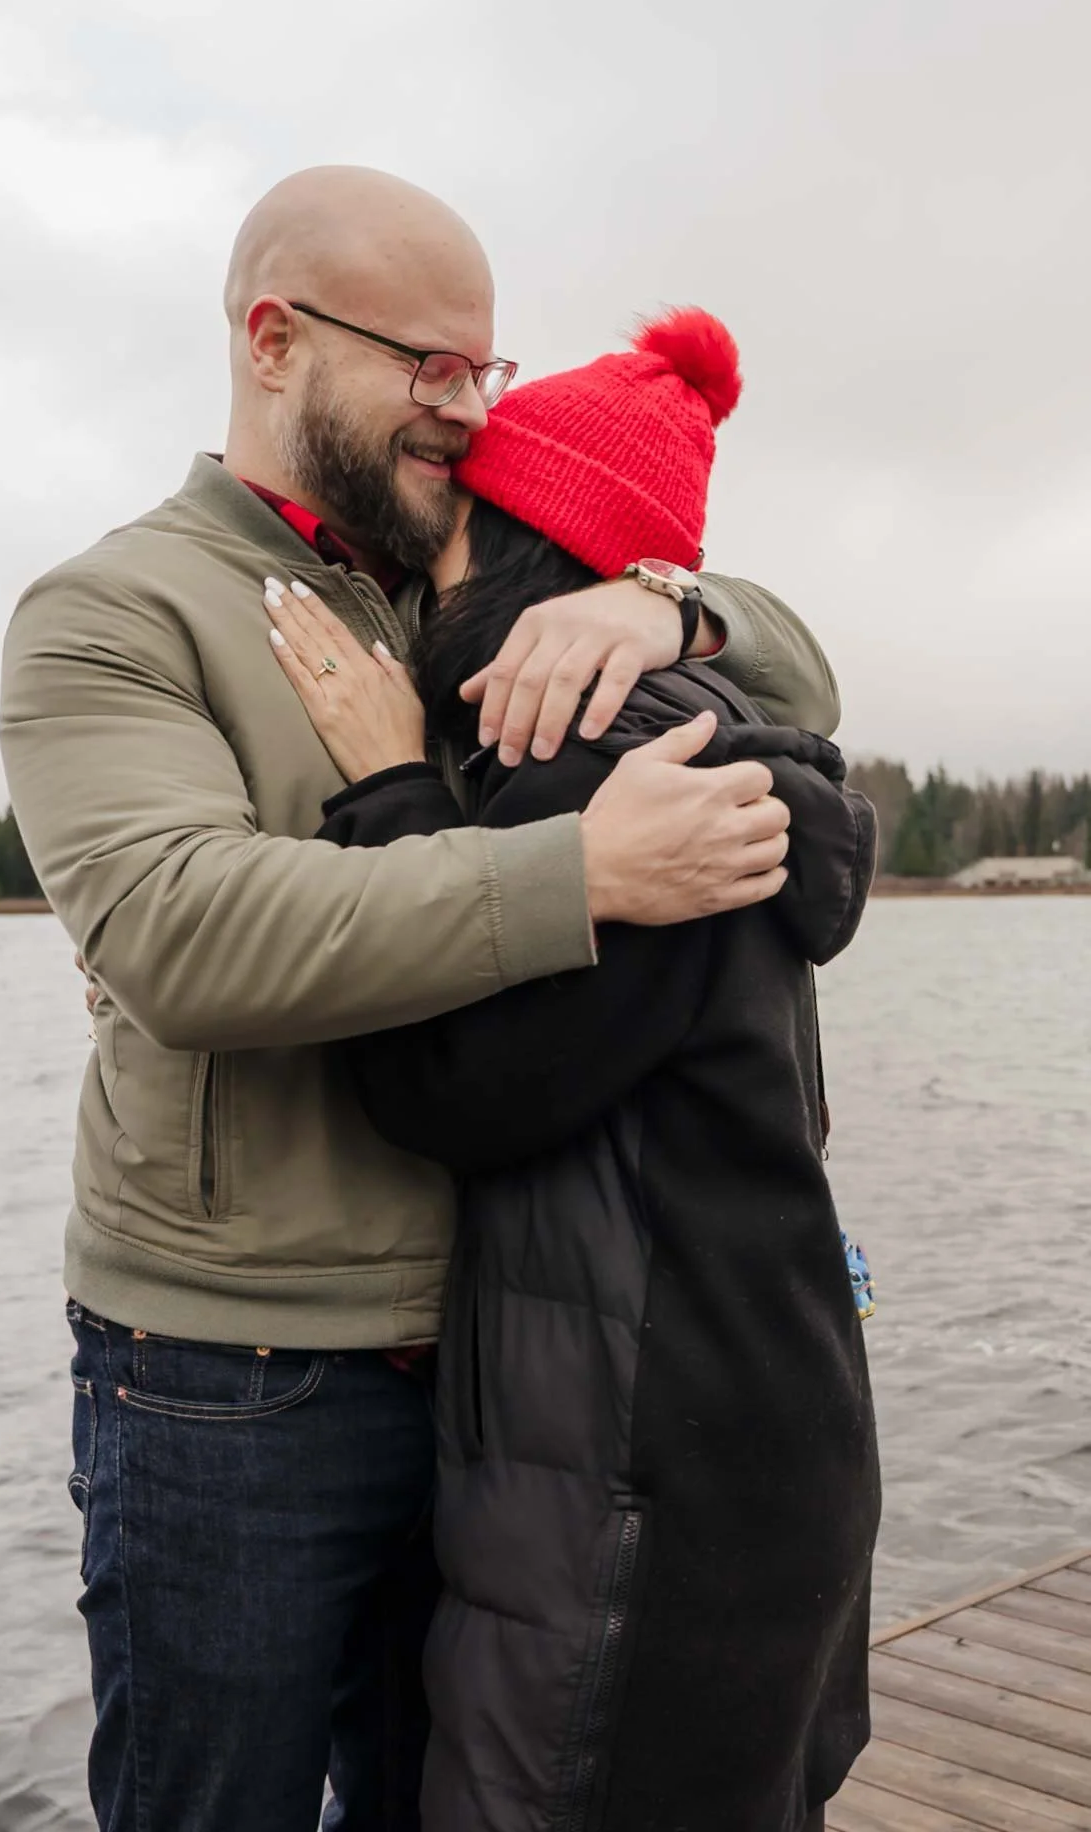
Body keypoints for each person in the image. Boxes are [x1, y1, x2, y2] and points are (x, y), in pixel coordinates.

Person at [0, 166, 843, 1832]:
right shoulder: (112, 612)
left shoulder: (468, 576)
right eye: (427, 366)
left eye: (487, 371)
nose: (466, 410)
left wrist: (666, 594)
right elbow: (180, 926)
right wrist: (577, 876)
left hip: (495, 1363)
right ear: (272, 339)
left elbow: (798, 677)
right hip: (233, 1371)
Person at [267, 307, 880, 1830]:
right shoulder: (688, 726)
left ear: (540, 573)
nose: (426, 578)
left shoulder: (618, 773)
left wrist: (395, 792)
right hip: (735, 1422)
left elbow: (453, 1092)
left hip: (661, 1464)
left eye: (459, 540)